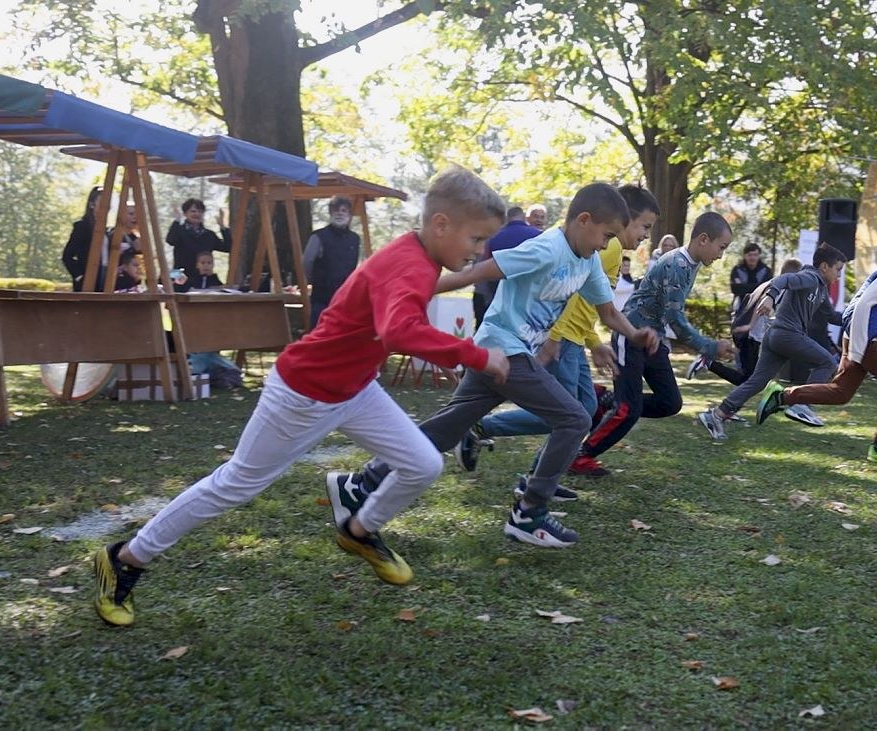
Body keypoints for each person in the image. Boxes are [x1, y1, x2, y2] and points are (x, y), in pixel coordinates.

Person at [90, 167, 511, 627]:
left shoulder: (415, 256)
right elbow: (400, 330)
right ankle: (126, 558)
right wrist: (477, 356)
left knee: (424, 464)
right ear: (441, 225)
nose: (479, 250)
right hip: (303, 393)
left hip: (354, 389)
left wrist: (484, 272)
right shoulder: (409, 263)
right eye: (476, 239)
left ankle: (359, 530)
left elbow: (409, 297)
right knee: (235, 484)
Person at [329, 183, 660, 549]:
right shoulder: (545, 249)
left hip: (500, 355)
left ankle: (361, 483)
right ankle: (529, 511)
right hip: (504, 348)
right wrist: (414, 290)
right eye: (605, 235)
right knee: (575, 417)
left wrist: (634, 334)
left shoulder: (588, 261)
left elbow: (608, 311)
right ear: (584, 221)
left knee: (448, 428)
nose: (605, 244)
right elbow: (481, 271)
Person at [454, 185, 660, 496]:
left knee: (579, 411)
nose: (645, 236)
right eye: (644, 226)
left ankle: (536, 475)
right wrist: (423, 288)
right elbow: (487, 271)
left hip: (548, 344)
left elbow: (599, 306)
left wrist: (618, 336)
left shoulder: (592, 252)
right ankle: (533, 494)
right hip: (523, 343)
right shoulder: (566, 247)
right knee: (572, 415)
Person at [755, 227, 877, 465]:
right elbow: (860, 309)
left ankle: (781, 396)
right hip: (866, 340)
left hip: (861, 338)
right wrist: (858, 350)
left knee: (841, 393)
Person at [569, 212, 735, 477]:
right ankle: (580, 456)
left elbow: (670, 315)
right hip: (630, 334)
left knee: (670, 402)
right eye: (721, 247)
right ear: (703, 239)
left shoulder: (689, 264)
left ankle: (608, 401)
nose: (721, 255)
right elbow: (676, 319)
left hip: (651, 341)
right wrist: (709, 346)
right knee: (628, 411)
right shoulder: (677, 265)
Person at [697, 245, 848, 440]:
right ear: (825, 267)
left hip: (775, 336)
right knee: (828, 362)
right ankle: (801, 405)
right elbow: (783, 279)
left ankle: (717, 415)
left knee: (757, 382)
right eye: (838, 270)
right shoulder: (810, 277)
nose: (839, 275)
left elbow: (831, 316)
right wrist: (769, 297)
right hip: (787, 334)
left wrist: (855, 318)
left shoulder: (820, 289)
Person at [690, 257, 802, 386]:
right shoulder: (777, 288)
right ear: (792, 276)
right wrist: (750, 325)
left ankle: (711, 357)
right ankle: (707, 362)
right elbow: (760, 305)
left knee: (752, 374)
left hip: (751, 335)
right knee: (746, 379)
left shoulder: (774, 284)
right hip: (750, 335)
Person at [474, 206, 541, 326]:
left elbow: (482, 269)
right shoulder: (539, 237)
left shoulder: (493, 237)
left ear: (507, 219)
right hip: (529, 304)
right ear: (524, 218)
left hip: (496, 301)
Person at [303, 196, 362, 328]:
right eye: (336, 210)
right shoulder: (318, 236)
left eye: (343, 210)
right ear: (330, 213)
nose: (339, 213)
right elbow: (307, 262)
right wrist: (313, 280)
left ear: (349, 215)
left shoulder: (355, 239)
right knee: (318, 336)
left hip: (345, 300)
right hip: (321, 300)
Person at [166, 198, 231, 276]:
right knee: (166, 283)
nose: (197, 214)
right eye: (193, 211)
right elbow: (170, 240)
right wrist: (177, 220)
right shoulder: (179, 230)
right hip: (180, 274)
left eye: (200, 211)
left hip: (202, 276)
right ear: (185, 214)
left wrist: (223, 228)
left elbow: (228, 248)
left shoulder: (209, 235)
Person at [61, 187, 104, 292]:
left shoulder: (106, 229)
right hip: (87, 283)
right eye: (102, 203)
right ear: (91, 205)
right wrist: (80, 277)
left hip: (104, 281)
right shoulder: (82, 226)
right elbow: (67, 256)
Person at [729, 242, 771, 314]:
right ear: (745, 256)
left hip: (760, 307)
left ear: (759, 256)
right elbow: (735, 289)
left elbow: (767, 289)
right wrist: (759, 287)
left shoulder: (766, 270)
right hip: (740, 307)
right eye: (750, 255)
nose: (752, 258)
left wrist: (744, 287)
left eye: (755, 255)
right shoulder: (737, 269)